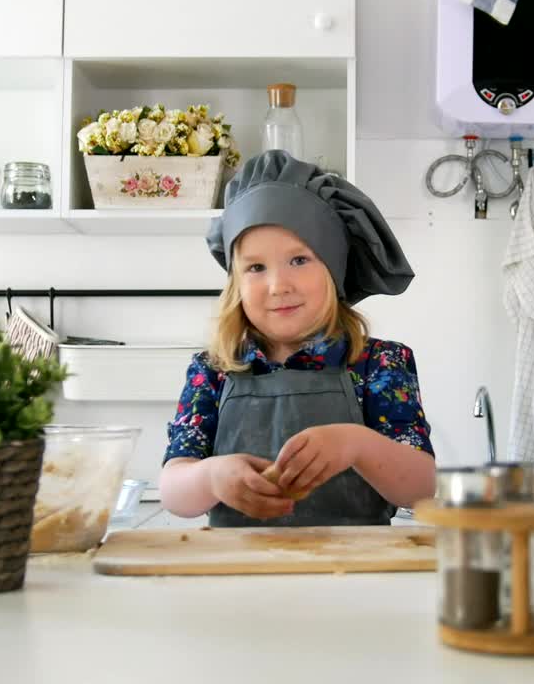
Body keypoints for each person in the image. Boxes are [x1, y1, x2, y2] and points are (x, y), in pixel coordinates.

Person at [159, 150, 437, 527]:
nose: (278, 286)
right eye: (256, 267)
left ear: (334, 268)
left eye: (299, 260)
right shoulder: (212, 371)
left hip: (356, 574)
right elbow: (174, 492)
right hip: (236, 574)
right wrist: (210, 477)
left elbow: (421, 489)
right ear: (235, 283)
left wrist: (355, 444)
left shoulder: (380, 365)